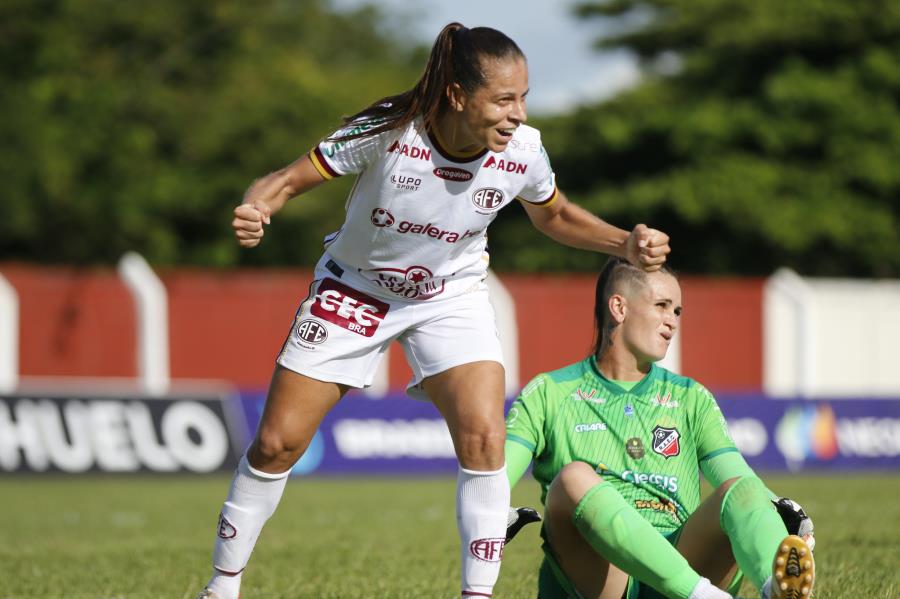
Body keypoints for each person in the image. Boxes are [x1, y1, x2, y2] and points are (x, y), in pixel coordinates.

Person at [198, 23, 671, 599]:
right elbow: (284, 181)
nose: (518, 113)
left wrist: (623, 243)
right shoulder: (388, 132)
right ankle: (221, 588)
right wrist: (255, 207)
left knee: (485, 437)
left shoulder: (523, 150)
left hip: (451, 295)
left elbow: (556, 216)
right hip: (355, 292)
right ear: (456, 95)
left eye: (524, 97)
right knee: (276, 444)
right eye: (503, 99)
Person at [504, 258, 816, 599]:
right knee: (573, 478)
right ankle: (700, 594)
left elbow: (737, 477)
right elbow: (498, 477)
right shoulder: (550, 392)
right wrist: (493, 512)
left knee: (742, 487)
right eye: (662, 306)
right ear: (619, 307)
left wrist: (779, 513)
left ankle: (777, 590)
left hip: (681, 555)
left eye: (678, 311)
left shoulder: (690, 397)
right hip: (604, 577)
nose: (672, 321)